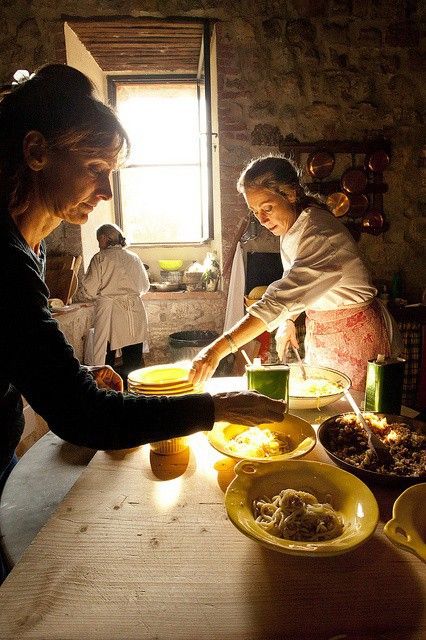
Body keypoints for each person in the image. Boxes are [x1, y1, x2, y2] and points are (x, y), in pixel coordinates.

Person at [0, 65, 285, 528]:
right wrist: (217, 408)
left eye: (109, 172)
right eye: (95, 169)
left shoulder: (33, 241)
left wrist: (75, 373)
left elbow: (18, 351)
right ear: (36, 152)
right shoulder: (6, 261)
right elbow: (83, 417)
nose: (105, 190)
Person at [189, 154, 402, 392]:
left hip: (356, 335)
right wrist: (289, 319)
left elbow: (279, 298)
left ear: (290, 194)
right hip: (324, 331)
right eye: (254, 211)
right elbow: (305, 283)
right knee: (324, 399)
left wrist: (216, 350)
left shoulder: (319, 234)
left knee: (352, 411)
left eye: (267, 208)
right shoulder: (294, 227)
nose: (261, 219)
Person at [74, 223, 150, 387]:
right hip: (134, 311)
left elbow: (90, 289)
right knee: (133, 357)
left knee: (105, 355)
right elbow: (144, 286)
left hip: (110, 311)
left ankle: (106, 392)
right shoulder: (134, 257)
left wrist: (83, 294)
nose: (99, 244)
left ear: (105, 238)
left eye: (98, 240)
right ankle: (135, 392)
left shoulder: (100, 258)